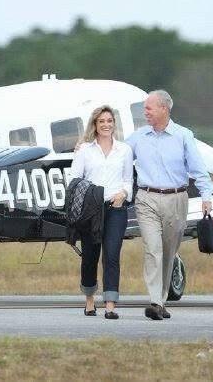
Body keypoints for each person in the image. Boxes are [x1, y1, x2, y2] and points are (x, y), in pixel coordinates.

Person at [127, 90, 213, 320]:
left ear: (164, 109)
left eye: (149, 108)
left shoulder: (183, 136)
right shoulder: (138, 137)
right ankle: (155, 301)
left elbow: (198, 169)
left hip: (177, 199)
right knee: (152, 249)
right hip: (146, 198)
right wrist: (85, 147)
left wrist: (206, 196)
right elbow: (116, 154)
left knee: (168, 252)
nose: (145, 112)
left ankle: (161, 299)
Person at [70, 105, 133, 320]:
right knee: (90, 256)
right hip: (91, 211)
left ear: (114, 124)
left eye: (109, 121)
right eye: (101, 121)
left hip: (116, 208)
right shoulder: (85, 150)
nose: (106, 124)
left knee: (112, 255)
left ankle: (110, 305)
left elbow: (128, 179)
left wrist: (123, 194)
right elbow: (75, 180)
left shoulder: (124, 149)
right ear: (95, 125)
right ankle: (89, 300)